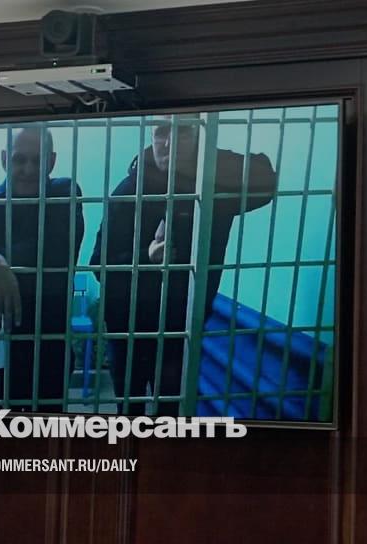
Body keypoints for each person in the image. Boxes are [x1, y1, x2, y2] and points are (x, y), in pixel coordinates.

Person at [90, 116, 277, 416]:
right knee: (130, 410)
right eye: (162, 131)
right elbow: (99, 265)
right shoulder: (130, 190)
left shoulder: (212, 189)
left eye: (184, 132)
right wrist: (146, 257)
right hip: (128, 322)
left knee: (172, 411)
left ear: (200, 137)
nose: (170, 142)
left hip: (182, 323)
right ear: (151, 134)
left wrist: (199, 165)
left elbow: (266, 179)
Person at [0, 127, 84, 412]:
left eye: (38, 159)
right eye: (20, 159)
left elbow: (52, 251)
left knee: (48, 428)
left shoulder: (65, 194)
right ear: (4, 159)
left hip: (49, 344)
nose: (29, 169)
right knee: (0, 428)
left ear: (52, 161)